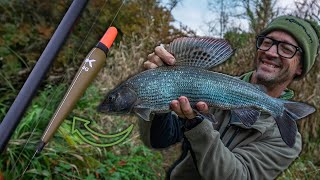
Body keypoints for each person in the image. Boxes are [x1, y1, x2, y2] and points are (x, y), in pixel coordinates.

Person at [138, 15, 320, 179]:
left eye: (286, 49)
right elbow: (161, 139)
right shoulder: (210, 87)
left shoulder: (285, 141)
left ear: (300, 68)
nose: (272, 52)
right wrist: (158, 90)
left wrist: (197, 126)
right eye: (267, 42)